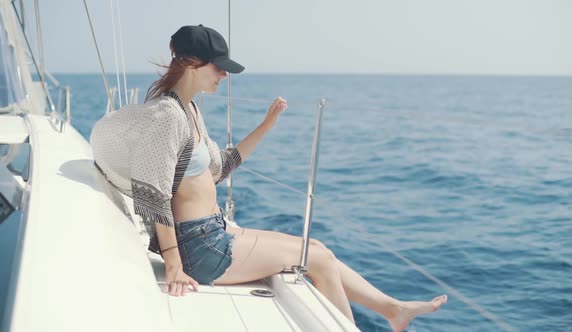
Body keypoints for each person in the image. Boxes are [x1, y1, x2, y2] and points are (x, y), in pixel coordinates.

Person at [90, 24, 447, 332]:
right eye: (220, 68)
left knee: (318, 250)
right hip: (201, 249)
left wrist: (266, 125)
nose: (224, 75)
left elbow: (220, 168)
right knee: (318, 261)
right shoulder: (167, 115)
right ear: (193, 64)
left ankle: (392, 309)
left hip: (214, 232)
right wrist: (174, 267)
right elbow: (153, 195)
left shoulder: (190, 110)